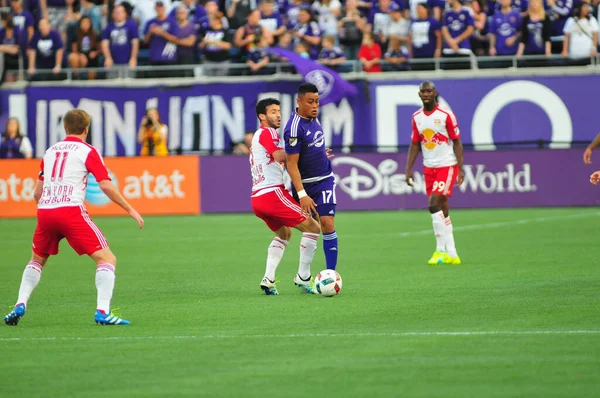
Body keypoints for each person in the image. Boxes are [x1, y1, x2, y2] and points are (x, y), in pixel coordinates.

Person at [3, 109, 144, 326]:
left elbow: (37, 194)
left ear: (65, 128)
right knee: (107, 259)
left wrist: (47, 212)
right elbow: (105, 184)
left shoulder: (50, 152)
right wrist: (130, 209)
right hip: (70, 211)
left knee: (37, 259)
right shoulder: (88, 151)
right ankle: (102, 312)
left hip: (46, 211)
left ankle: (20, 304)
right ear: (86, 129)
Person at [250, 98, 322, 295]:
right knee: (313, 228)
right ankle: (303, 277)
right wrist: (310, 151)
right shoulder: (267, 132)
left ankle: (268, 278)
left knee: (284, 234)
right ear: (262, 116)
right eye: (273, 111)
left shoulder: (259, 136)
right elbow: (280, 156)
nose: (278, 115)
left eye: (279, 111)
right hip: (272, 193)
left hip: (258, 198)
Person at [405, 81, 464, 265]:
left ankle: (439, 250)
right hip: (428, 166)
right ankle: (452, 253)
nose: (426, 94)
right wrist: (408, 169)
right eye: (423, 91)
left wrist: (460, 168)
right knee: (443, 208)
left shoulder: (446, 115)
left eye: (429, 91)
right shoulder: (417, 117)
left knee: (433, 204)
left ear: (435, 93)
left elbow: (457, 141)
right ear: (419, 94)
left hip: (446, 165)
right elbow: (415, 143)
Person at [284, 83, 339, 272]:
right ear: (299, 101)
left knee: (327, 223)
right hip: (305, 186)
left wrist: (320, 153)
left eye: (317, 101)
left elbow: (308, 146)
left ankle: (331, 274)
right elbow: (291, 164)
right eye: (310, 102)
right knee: (311, 228)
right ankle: (304, 274)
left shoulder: (314, 118)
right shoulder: (293, 129)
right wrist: (302, 194)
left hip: (324, 179)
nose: (315, 106)